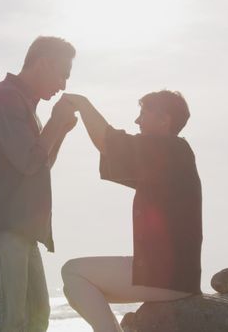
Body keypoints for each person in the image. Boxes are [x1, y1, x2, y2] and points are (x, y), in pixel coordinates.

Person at [60, 91, 203, 332]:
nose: (137, 121)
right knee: (74, 281)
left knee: (73, 272)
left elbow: (109, 142)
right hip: (168, 274)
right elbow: (111, 150)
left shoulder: (171, 149)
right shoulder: (169, 158)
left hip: (166, 277)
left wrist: (82, 103)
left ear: (164, 119)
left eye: (143, 114)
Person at [0, 36, 77, 332]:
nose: (63, 85)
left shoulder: (23, 104)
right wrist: (55, 122)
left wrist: (60, 129)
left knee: (37, 316)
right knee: (9, 318)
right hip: (0, 226)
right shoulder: (3, 98)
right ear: (44, 63)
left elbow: (41, 165)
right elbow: (29, 161)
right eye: (63, 74)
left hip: (20, 229)